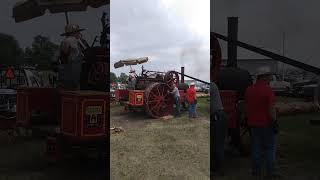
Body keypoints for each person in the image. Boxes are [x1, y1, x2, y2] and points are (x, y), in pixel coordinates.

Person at [244, 66, 279, 179]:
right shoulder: (268, 90)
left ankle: (256, 171)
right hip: (267, 124)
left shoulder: (249, 90)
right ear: (264, 77)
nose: (270, 78)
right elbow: (271, 110)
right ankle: (271, 172)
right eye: (269, 76)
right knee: (270, 148)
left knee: (256, 148)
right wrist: (274, 122)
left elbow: (246, 107)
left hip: (253, 124)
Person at [57, 24, 86, 90]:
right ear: (73, 33)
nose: (79, 33)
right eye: (77, 32)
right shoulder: (68, 41)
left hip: (75, 74)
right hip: (70, 74)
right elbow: (64, 56)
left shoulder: (78, 41)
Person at [211, 81, 227, 176]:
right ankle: (215, 166)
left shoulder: (211, 85)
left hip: (218, 117)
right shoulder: (212, 85)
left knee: (218, 144)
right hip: (216, 116)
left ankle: (220, 169)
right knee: (214, 143)